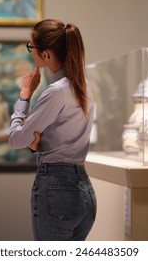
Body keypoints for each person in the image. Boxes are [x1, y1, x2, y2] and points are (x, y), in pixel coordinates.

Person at [9, 19, 97, 241]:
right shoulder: (84, 86)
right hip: (84, 190)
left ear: (46, 54)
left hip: (57, 189)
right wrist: (39, 144)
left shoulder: (56, 91)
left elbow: (16, 138)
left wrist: (25, 95)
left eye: (32, 48)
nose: (30, 53)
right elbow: (65, 137)